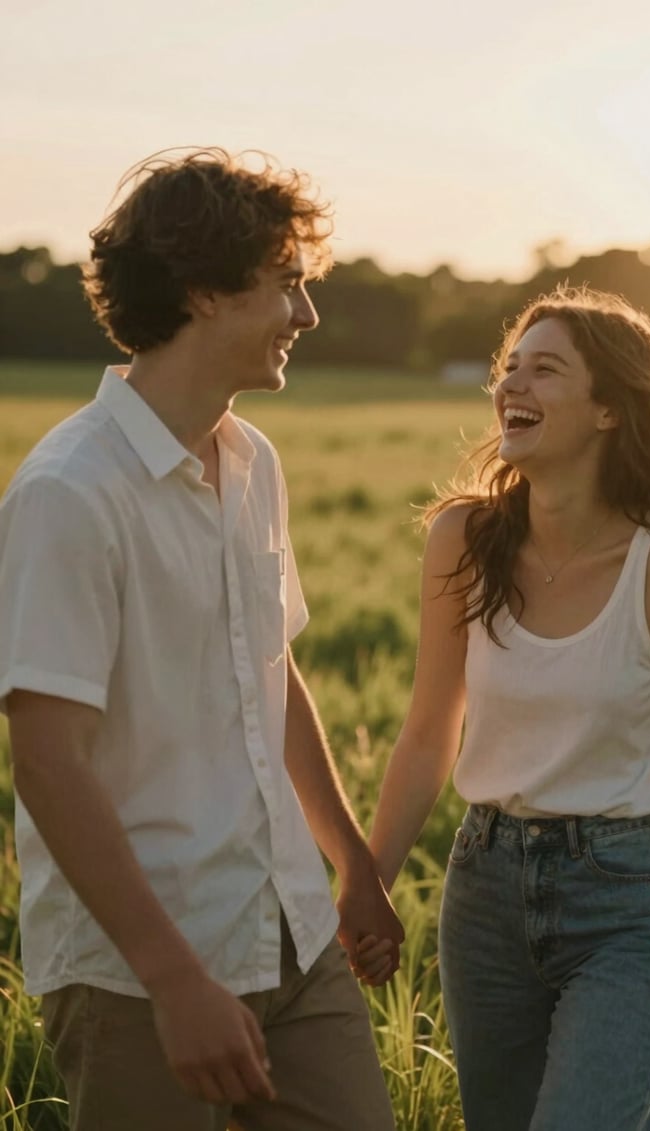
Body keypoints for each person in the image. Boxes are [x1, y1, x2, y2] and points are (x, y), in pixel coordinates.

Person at [0, 147, 402, 1131]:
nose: (306, 316)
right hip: (140, 974)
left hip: (292, 934)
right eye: (287, 286)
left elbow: (272, 668)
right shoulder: (67, 494)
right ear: (202, 294)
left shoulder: (252, 458)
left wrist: (351, 865)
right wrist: (176, 982)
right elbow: (47, 762)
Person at [356, 286, 650, 1130]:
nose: (513, 385)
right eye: (509, 368)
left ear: (611, 408)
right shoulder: (463, 539)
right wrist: (369, 884)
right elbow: (428, 733)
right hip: (485, 891)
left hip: (625, 899)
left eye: (545, 370)